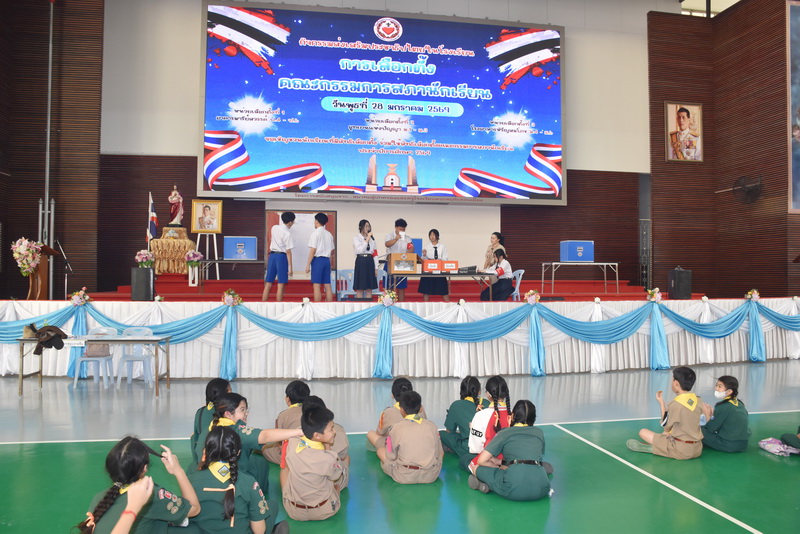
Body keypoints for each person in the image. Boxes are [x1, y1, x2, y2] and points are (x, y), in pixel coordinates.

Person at [75, 436, 201, 533]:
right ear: (144, 468)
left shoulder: (99, 499)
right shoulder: (152, 495)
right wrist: (178, 471)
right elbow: (195, 509)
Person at [197, 392, 304, 495]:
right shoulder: (236, 431)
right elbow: (265, 436)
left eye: (246, 410)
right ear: (228, 414)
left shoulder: (211, 427)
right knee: (261, 463)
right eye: (242, 410)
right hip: (232, 480)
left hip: (207, 476)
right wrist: (299, 432)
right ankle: (259, 493)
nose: (246, 414)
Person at [189, 427, 286, 534]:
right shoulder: (248, 481)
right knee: (272, 505)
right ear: (238, 452)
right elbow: (259, 531)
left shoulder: (190, 481)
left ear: (205, 452)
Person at [468, 400, 551, 501]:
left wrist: (498, 467)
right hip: (542, 488)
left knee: (477, 468)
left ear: (512, 416)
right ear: (533, 418)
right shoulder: (539, 433)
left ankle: (486, 485)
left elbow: (481, 460)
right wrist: (500, 462)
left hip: (513, 489)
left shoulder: (505, 433)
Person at [281, 404, 346, 520]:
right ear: (317, 435)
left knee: (285, 470)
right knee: (336, 477)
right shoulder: (329, 458)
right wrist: (327, 444)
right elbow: (335, 476)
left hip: (294, 512)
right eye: (331, 429)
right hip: (324, 511)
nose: (334, 431)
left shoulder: (293, 442)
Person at [367, 390, 443, 484]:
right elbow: (438, 453)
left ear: (401, 410)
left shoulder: (396, 428)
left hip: (403, 476)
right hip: (430, 475)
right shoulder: (432, 426)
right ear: (420, 408)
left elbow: (391, 456)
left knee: (380, 451)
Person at [627, 366, 703, 459]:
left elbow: (666, 426)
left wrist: (662, 404)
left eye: (672, 380)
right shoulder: (698, 400)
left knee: (643, 432)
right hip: (697, 449)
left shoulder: (675, 404)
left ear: (676, 383)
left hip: (681, 450)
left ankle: (657, 449)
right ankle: (661, 447)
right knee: (667, 434)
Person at [462, 375, 511, 472]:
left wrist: (472, 428)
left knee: (464, 460)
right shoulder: (513, 415)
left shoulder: (481, 415)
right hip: (509, 458)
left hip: (488, 458)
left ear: (488, 394)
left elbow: (475, 448)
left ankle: (490, 473)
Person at [440, 376, 489, 457]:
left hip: (468, 448)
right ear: (479, 391)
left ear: (461, 391)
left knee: (441, 434)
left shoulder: (456, 405)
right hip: (488, 448)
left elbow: (449, 431)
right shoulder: (487, 403)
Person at [263, 379, 310, 464]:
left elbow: (279, 442)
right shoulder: (313, 411)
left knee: (265, 449)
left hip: (292, 456)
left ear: (287, 399)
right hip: (312, 452)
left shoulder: (283, 415)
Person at [700, 375, 750, 452]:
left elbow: (710, 429)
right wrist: (713, 415)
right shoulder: (740, 404)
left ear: (729, 391)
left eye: (720, 386)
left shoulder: (723, 406)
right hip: (743, 445)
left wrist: (707, 413)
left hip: (728, 445)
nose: (716, 388)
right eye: (716, 385)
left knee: (698, 430)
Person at [190, 378, 232, 465]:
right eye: (230, 392)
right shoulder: (228, 413)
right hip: (219, 461)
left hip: (199, 459)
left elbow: (196, 437)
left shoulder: (200, 412)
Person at [262, 211, 295, 302]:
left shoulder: (274, 227)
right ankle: (279, 305)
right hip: (281, 257)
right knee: (280, 284)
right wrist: (290, 268)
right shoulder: (288, 234)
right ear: (290, 222)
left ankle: (263, 304)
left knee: (268, 283)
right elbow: (288, 251)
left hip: (272, 256)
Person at [306, 212, 335, 302]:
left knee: (316, 285)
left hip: (317, 261)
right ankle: (329, 306)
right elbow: (332, 251)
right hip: (327, 260)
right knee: (327, 285)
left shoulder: (315, 233)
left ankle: (317, 306)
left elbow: (313, 250)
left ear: (317, 221)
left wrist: (307, 265)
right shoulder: (329, 234)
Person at [384, 218, 414, 302]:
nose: (402, 231)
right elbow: (387, 244)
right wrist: (396, 239)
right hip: (390, 263)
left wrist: (408, 253)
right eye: (400, 229)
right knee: (389, 286)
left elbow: (411, 248)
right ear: (396, 227)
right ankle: (388, 304)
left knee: (401, 287)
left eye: (403, 229)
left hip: (402, 263)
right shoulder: (390, 235)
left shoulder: (407, 238)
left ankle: (401, 305)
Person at [418, 229, 450, 302]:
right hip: (429, 271)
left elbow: (445, 258)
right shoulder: (426, 247)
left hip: (439, 270)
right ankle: (426, 305)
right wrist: (424, 255)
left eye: (433, 235)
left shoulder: (442, 246)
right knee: (426, 291)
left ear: (437, 236)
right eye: (430, 235)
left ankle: (448, 305)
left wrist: (438, 262)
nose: (432, 237)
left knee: (444, 291)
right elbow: (423, 260)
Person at [352, 219, 378, 299]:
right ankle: (360, 304)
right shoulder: (356, 238)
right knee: (360, 287)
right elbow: (361, 250)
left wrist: (376, 268)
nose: (368, 228)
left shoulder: (372, 240)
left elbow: (375, 254)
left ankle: (368, 304)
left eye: (368, 226)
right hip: (361, 261)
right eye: (366, 226)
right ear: (361, 227)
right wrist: (367, 239)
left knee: (369, 288)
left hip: (370, 261)